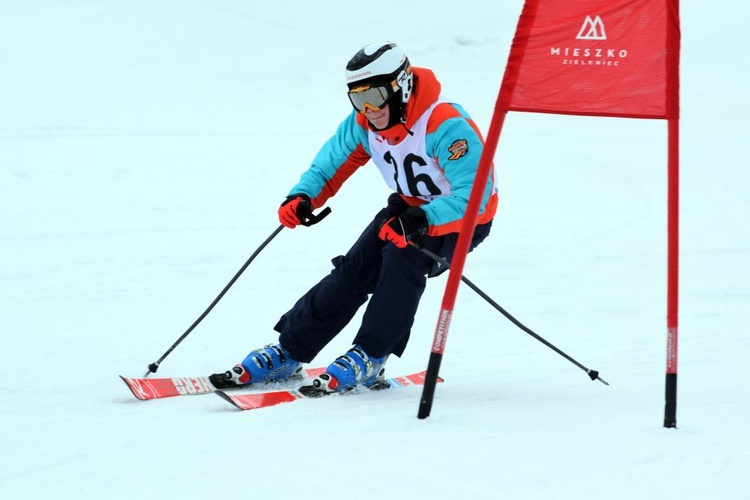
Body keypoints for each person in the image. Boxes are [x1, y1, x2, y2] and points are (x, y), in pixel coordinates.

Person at [209, 41, 497, 395]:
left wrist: (420, 219)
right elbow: (331, 162)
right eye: (358, 98)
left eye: (375, 95)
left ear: (402, 86)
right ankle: (291, 349)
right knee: (354, 269)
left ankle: (371, 354)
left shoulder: (445, 124)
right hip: (406, 209)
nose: (369, 109)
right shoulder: (364, 123)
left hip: (458, 220)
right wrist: (303, 196)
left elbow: (476, 197)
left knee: (402, 260)